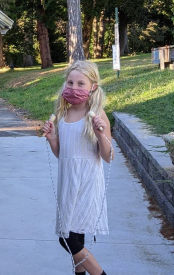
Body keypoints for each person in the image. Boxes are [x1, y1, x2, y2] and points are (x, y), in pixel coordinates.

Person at [42, 60, 113, 275]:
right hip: (68, 183)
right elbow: (62, 155)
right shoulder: (63, 115)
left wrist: (100, 134)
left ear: (93, 86)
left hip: (87, 183)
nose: (74, 88)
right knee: (75, 237)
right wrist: (53, 138)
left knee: (68, 239)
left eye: (81, 83)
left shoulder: (97, 115)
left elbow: (108, 156)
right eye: (70, 82)